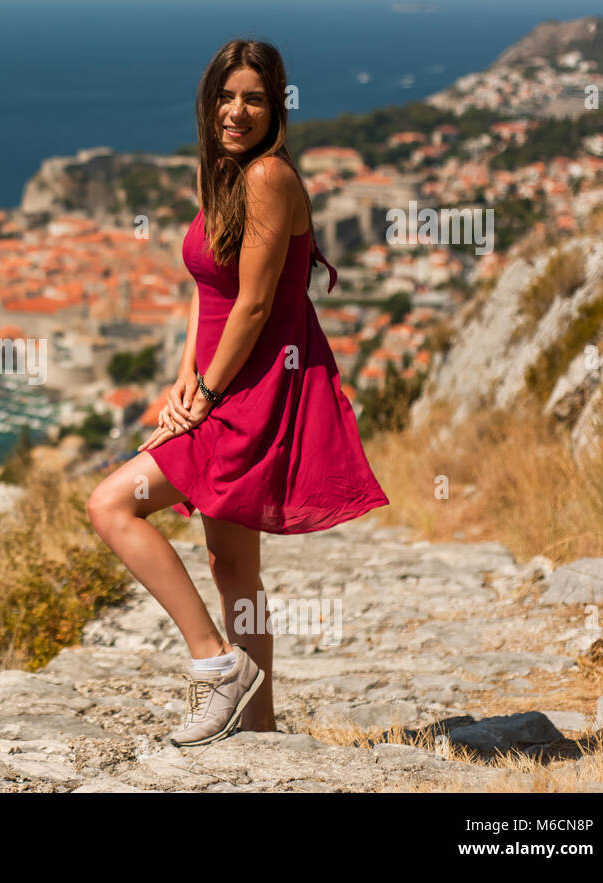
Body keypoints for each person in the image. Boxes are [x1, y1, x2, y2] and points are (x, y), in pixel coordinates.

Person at [86, 38, 390, 747]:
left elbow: (254, 305)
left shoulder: (267, 179)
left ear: (276, 106)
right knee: (233, 566)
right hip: (220, 380)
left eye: (253, 97)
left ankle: (214, 665)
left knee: (111, 504)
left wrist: (205, 394)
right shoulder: (222, 173)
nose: (237, 110)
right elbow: (210, 289)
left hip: (250, 388)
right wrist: (184, 371)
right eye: (225, 96)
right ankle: (259, 725)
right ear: (208, 103)